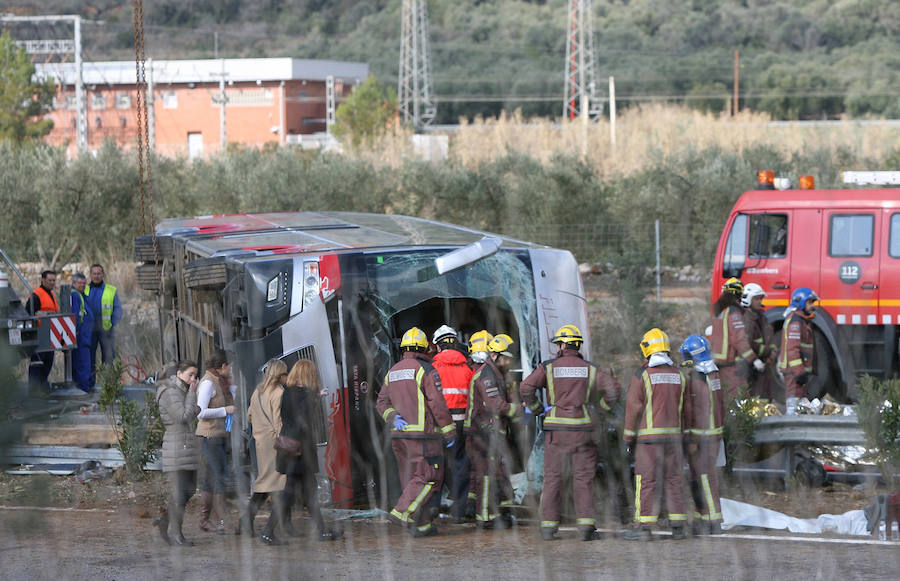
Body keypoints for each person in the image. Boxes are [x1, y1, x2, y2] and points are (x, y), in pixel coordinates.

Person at [521, 324, 620, 542]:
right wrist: (601, 410)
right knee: (583, 478)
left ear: (565, 344)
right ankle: (586, 528)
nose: (557, 347)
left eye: (558, 343)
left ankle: (548, 528)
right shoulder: (590, 368)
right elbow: (614, 389)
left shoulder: (548, 367)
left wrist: (538, 409)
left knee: (554, 478)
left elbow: (525, 387)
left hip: (556, 431)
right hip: (583, 430)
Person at [376, 327, 456, 538]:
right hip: (423, 436)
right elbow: (437, 404)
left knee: (411, 480)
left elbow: (381, 403)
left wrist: (393, 417)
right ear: (424, 347)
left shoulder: (392, 371)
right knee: (429, 477)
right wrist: (449, 432)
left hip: (399, 435)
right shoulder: (426, 370)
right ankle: (400, 512)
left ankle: (421, 526)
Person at [261, 359, 342, 543]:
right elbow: (303, 419)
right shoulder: (301, 394)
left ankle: (323, 531)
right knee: (291, 492)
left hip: (292, 450)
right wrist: (316, 397)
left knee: (308, 491)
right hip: (297, 451)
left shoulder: (288, 392)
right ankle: (267, 532)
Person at [622, 328, 691, 541]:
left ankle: (644, 527)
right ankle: (678, 526)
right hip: (674, 439)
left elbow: (633, 408)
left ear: (647, 349)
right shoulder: (680, 375)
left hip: (649, 440)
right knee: (674, 479)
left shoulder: (642, 375)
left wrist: (628, 438)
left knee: (646, 481)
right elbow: (687, 410)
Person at [464, 332, 521, 529]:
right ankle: (485, 518)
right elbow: (495, 404)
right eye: (505, 358)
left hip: (491, 433)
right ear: (495, 356)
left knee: (496, 472)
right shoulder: (486, 377)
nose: (508, 362)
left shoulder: (498, 374)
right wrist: (516, 409)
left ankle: (500, 511)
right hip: (481, 434)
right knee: (485, 476)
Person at [679, 335, 725, 536]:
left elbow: (693, 411)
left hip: (701, 437)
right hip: (715, 434)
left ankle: (713, 521)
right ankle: (701, 518)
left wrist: (690, 438)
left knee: (704, 478)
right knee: (700, 477)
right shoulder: (714, 375)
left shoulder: (696, 379)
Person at [153, 360, 201, 546]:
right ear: (179, 373)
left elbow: (189, 412)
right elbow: (183, 417)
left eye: (195, 375)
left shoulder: (180, 390)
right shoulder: (170, 392)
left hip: (186, 446)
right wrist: (192, 394)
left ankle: (164, 521)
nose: (193, 379)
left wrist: (192, 404)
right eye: (190, 375)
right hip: (176, 447)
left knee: (188, 490)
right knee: (181, 492)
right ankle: (176, 533)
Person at [430, 325, 474, 523]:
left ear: (437, 347)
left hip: (439, 426)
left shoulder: (433, 369)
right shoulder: (468, 369)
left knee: (435, 467)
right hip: (462, 426)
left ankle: (432, 509)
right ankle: (459, 512)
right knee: (460, 467)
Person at [241, 359, 287, 541]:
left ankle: (246, 520)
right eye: (284, 373)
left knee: (264, 484)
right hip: (274, 444)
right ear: (279, 374)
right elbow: (278, 422)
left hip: (260, 442)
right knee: (281, 486)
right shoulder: (278, 393)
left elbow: (249, 415)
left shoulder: (257, 391)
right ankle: (268, 531)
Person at [195, 350, 236, 534]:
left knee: (210, 479)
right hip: (210, 436)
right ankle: (222, 520)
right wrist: (224, 410)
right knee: (220, 476)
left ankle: (204, 520)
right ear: (223, 366)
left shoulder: (218, 381)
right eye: (230, 366)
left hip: (218, 435)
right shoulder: (208, 384)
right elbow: (200, 411)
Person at [710, 277, 765, 397]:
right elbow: (739, 339)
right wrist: (753, 359)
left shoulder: (719, 311)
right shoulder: (734, 312)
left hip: (717, 363)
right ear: (739, 294)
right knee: (738, 395)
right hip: (730, 364)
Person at [779, 287, 818, 415]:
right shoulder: (796, 321)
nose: (813, 306)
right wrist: (799, 372)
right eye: (810, 302)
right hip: (794, 374)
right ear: (800, 302)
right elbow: (792, 349)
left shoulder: (801, 320)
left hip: (797, 373)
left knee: (800, 407)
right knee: (793, 407)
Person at [85, 263, 122, 387]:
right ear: (90, 275)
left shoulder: (111, 290)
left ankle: (109, 386)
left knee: (108, 358)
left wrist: (112, 323)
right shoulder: (84, 290)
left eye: (99, 273)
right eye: (94, 273)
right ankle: (89, 384)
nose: (96, 276)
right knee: (89, 359)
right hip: (89, 331)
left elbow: (118, 309)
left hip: (106, 330)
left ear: (103, 275)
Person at [741, 283, 779, 400]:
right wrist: (764, 353)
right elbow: (746, 343)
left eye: (760, 298)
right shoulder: (744, 318)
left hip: (764, 364)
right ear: (748, 299)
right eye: (756, 298)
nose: (759, 301)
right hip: (750, 366)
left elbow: (771, 337)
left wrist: (772, 354)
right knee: (750, 397)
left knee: (765, 396)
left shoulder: (763, 317)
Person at [25, 270, 58, 392]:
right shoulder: (36, 295)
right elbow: (28, 314)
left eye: (54, 280)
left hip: (50, 337)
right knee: (37, 365)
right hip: (39, 337)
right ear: (43, 280)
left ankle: (42, 390)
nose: (52, 283)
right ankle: (34, 393)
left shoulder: (52, 294)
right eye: (50, 280)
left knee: (48, 363)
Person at [70, 273, 94, 393]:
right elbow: (75, 315)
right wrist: (78, 330)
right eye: (79, 283)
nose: (82, 285)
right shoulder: (75, 296)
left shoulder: (81, 295)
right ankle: (83, 390)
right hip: (81, 336)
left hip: (84, 335)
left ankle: (81, 388)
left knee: (81, 363)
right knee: (83, 364)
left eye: (84, 283)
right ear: (73, 283)